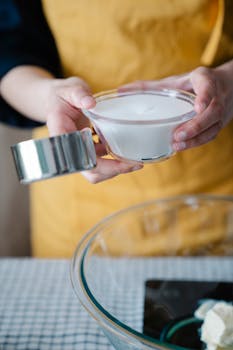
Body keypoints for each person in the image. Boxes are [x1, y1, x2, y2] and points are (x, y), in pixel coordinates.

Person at [0, 0, 233, 257]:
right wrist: (48, 97)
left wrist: (229, 83)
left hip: (219, 196)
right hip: (82, 205)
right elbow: (9, 45)